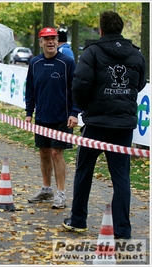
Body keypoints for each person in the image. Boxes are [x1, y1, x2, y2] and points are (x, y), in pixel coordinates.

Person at [62, 11, 147, 239]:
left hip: (96, 123)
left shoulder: (92, 52)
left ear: (101, 30)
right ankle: (122, 229)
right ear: (120, 29)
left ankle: (78, 219)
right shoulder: (137, 55)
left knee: (84, 171)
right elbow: (138, 84)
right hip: (123, 125)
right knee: (121, 177)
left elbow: (79, 85)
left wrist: (86, 107)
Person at [25, 27, 80, 209]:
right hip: (42, 117)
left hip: (62, 118)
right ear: (40, 42)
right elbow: (30, 90)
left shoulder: (67, 62)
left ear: (58, 41)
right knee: (44, 153)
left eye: (53, 39)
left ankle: (61, 193)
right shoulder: (34, 63)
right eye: (46, 39)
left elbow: (75, 90)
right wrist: (28, 113)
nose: (50, 42)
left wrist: (74, 113)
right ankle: (46, 189)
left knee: (57, 153)